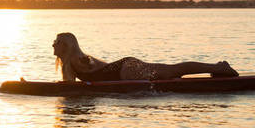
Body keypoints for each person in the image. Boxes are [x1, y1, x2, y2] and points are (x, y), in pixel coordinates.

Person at [53, 32, 238, 82]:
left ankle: (219, 68)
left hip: (125, 71)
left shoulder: (77, 60)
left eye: (57, 41)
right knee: (173, 70)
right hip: (125, 67)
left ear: (67, 46)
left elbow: (70, 89)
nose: (53, 44)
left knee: (174, 71)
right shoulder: (79, 59)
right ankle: (217, 67)